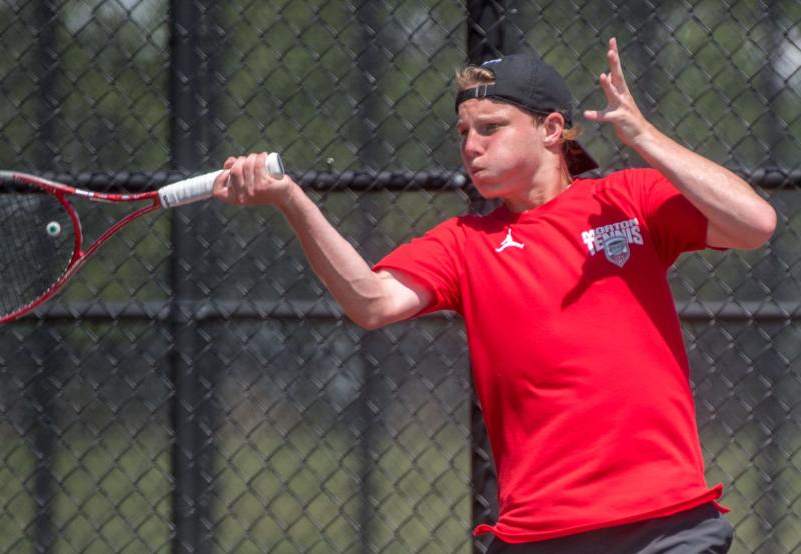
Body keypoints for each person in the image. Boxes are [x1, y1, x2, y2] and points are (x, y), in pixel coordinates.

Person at [212, 37, 776, 553]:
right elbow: (372, 302)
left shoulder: (627, 198)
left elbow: (755, 224)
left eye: (490, 127)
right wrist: (290, 199)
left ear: (551, 130)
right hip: (539, 535)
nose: (471, 146)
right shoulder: (465, 244)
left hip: (667, 526)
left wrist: (646, 138)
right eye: (463, 133)